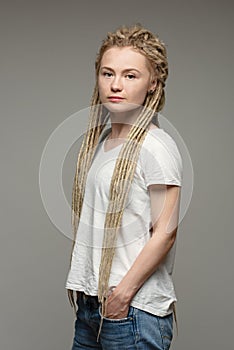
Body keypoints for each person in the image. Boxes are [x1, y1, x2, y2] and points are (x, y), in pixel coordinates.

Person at [65, 23, 183, 349]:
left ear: (153, 83)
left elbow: (165, 232)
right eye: (108, 73)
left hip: (131, 310)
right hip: (92, 306)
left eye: (130, 75)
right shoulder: (103, 140)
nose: (116, 84)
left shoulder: (156, 146)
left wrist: (122, 296)